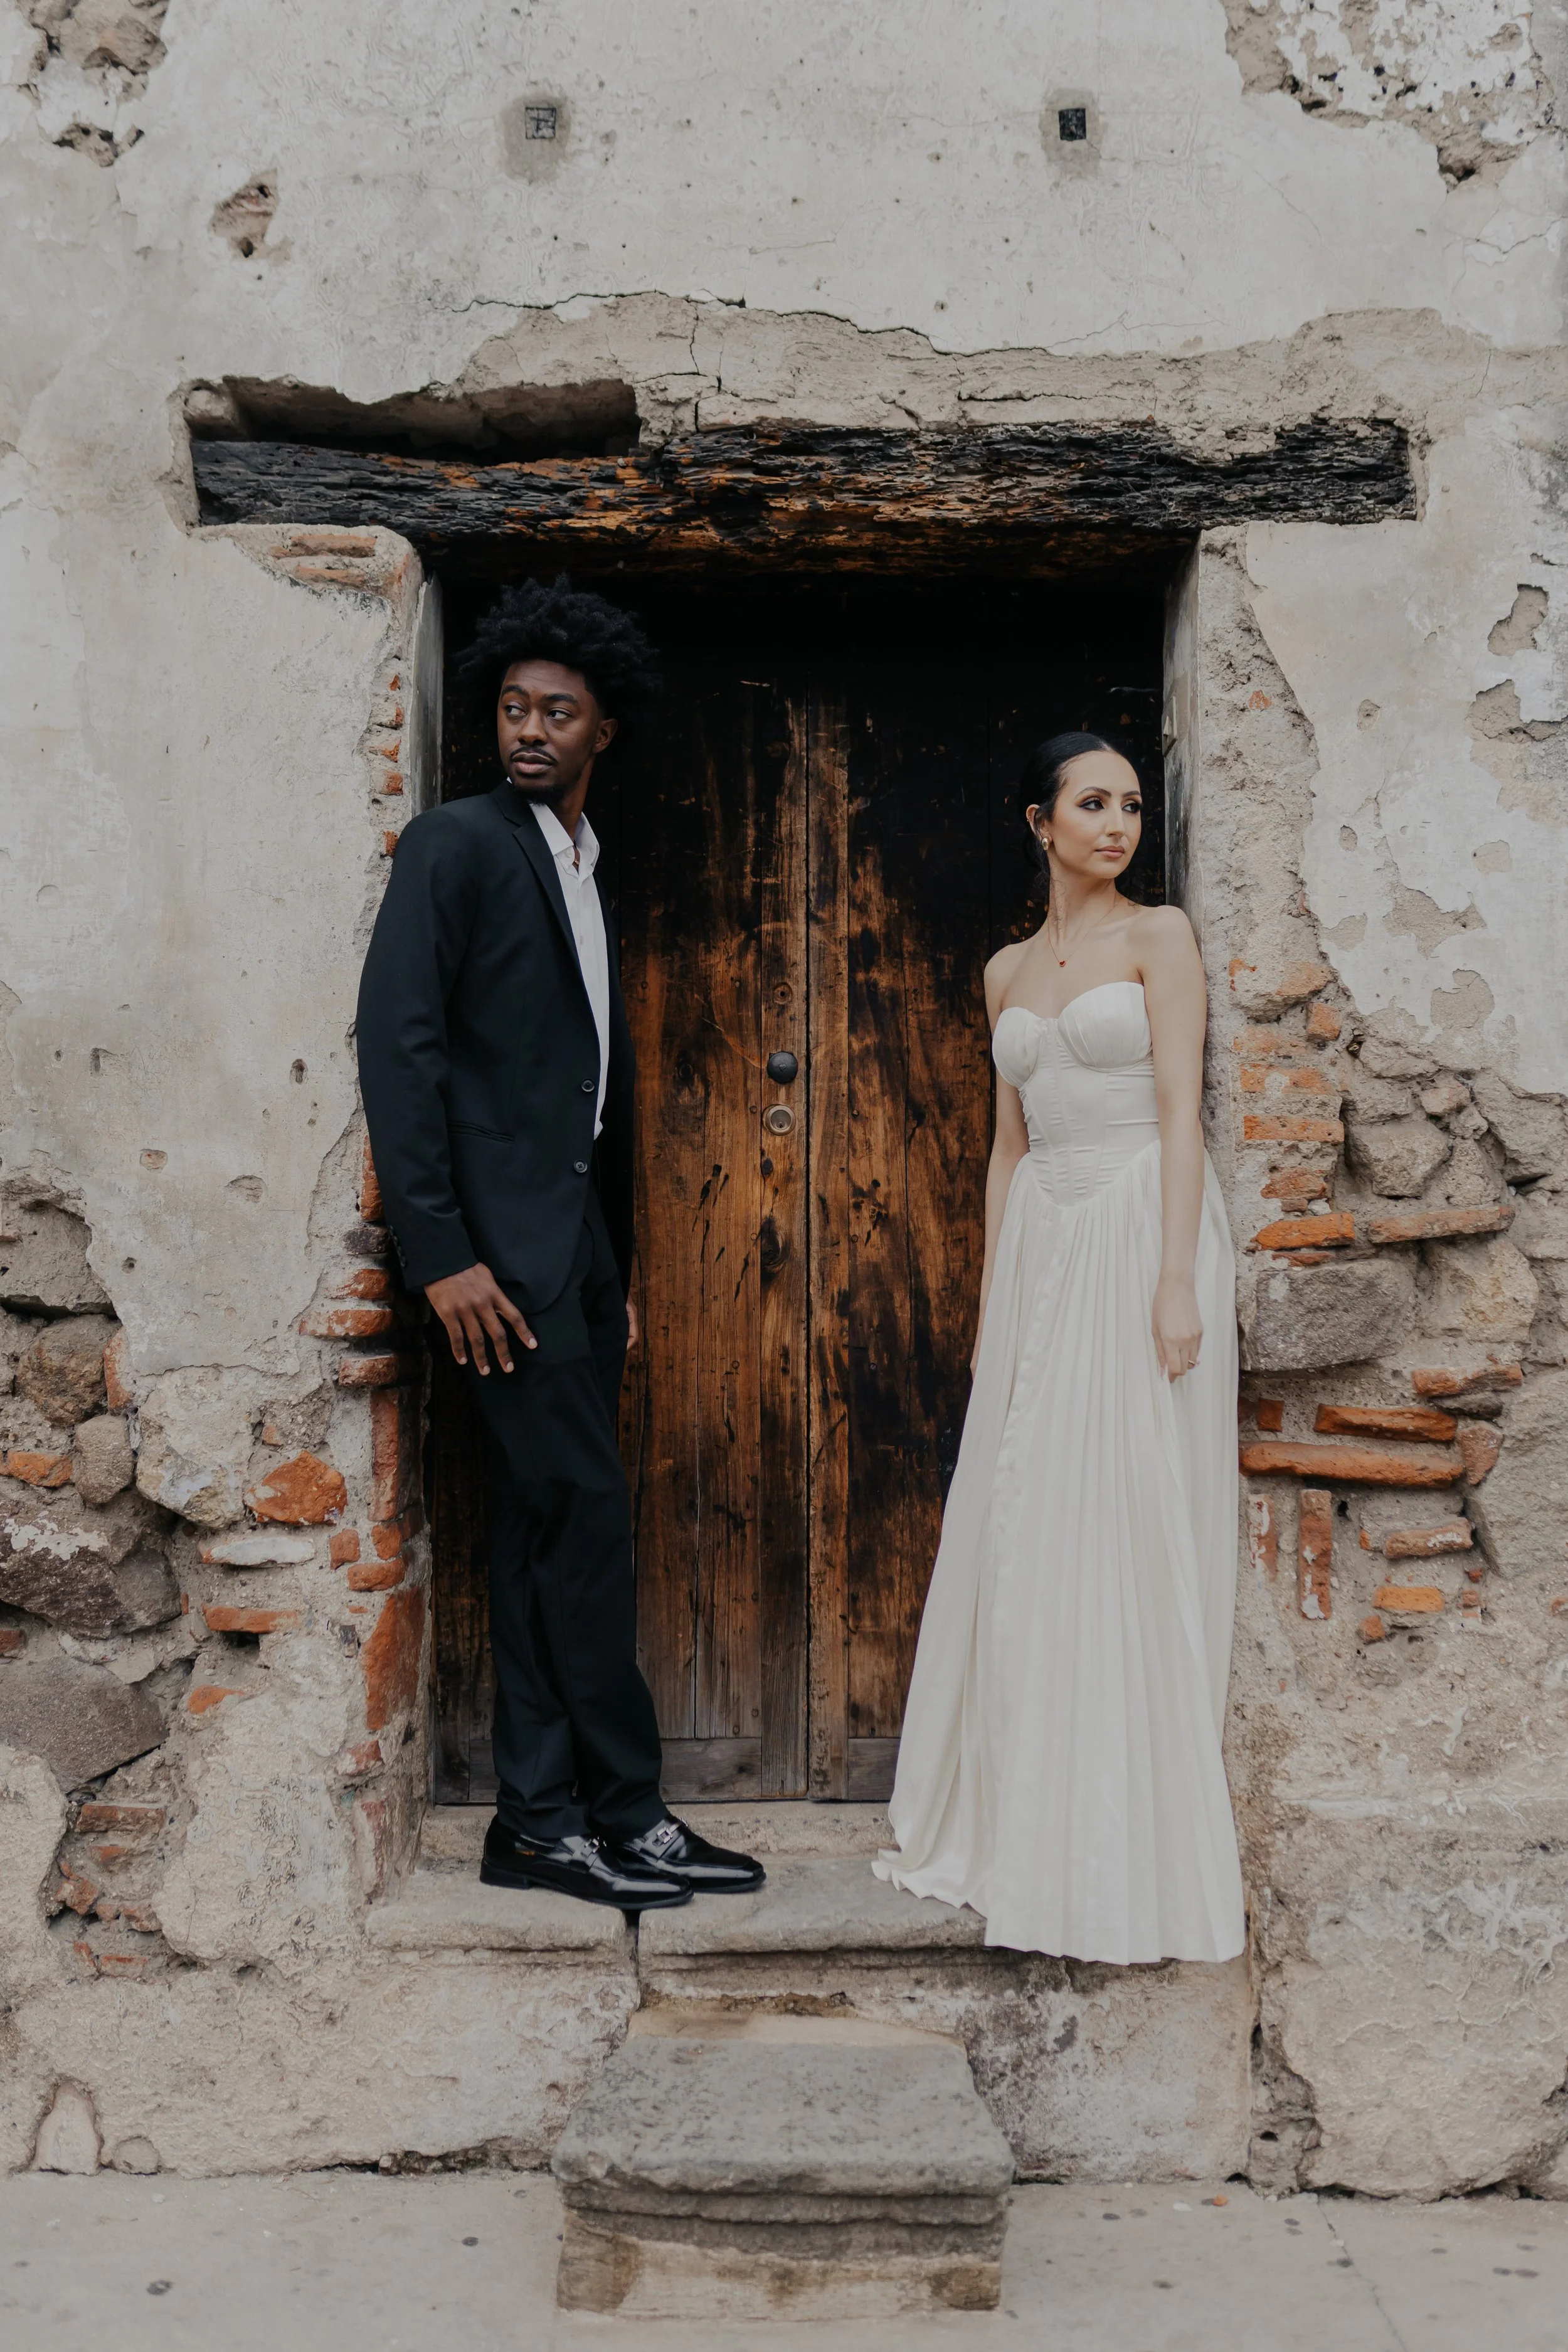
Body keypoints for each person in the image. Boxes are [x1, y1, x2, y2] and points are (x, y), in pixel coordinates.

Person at [356, 576, 763, 1912]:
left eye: (559, 712)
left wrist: (612, 1269)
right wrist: (439, 1256)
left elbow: (577, 1087)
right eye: (514, 708)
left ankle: (540, 1822)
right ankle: (625, 1809)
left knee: (547, 1532)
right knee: (582, 1523)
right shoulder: (454, 844)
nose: (530, 729)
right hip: (490, 1269)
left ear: (604, 730)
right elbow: (401, 1053)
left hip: (570, 1259)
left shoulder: (583, 868)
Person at [875, 733, 1245, 1963]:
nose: (1117, 823)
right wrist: (994, 1299)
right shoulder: (1005, 970)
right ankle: (1025, 1803)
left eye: (1130, 804)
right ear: (1039, 821)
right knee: (1031, 1510)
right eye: (1092, 803)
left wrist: (1176, 1278)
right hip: (1045, 1235)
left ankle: (1119, 1832)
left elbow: (1182, 1113)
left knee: (1126, 1505)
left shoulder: (1160, 938)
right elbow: (1007, 1147)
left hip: (1139, 1218)